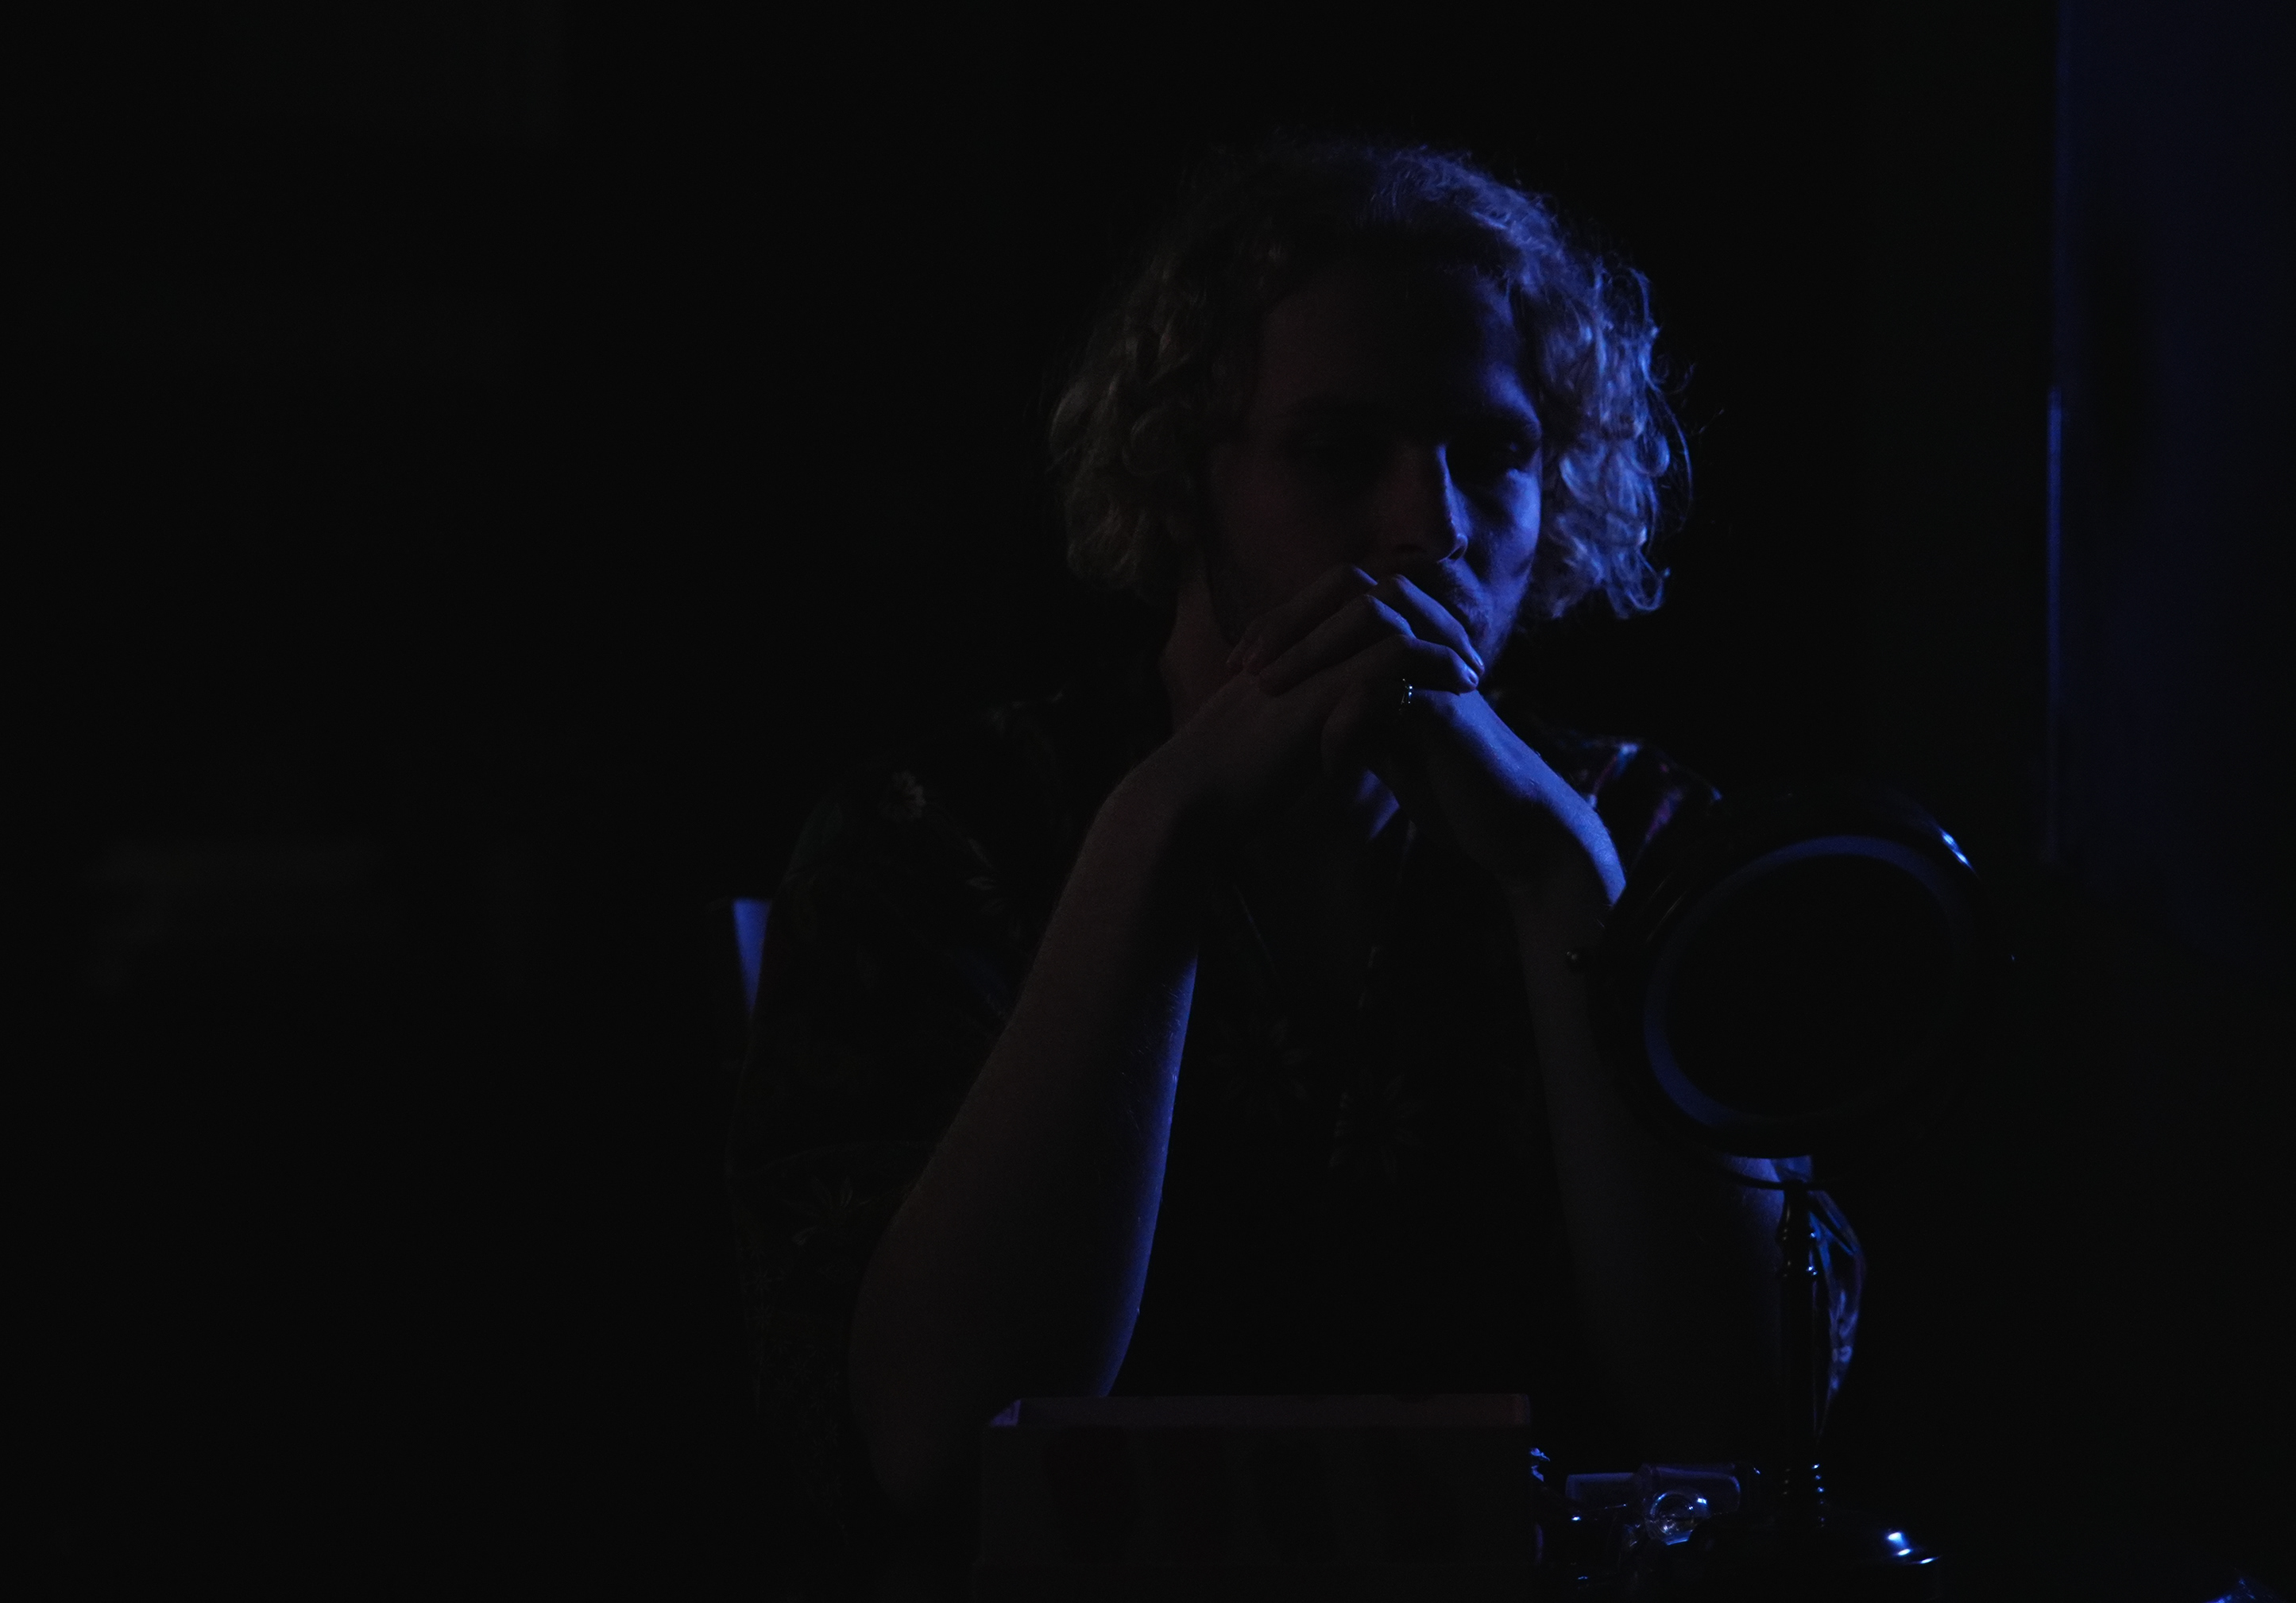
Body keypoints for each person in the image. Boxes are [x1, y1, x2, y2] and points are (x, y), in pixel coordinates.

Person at [726, 138, 1853, 1589]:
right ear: (1182, 471)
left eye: (1494, 454)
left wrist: (1563, 880)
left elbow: (1750, 1428)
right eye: (1336, 451)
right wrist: (1156, 841)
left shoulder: (1641, 835)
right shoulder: (941, 837)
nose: (1432, 527)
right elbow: (940, 1446)